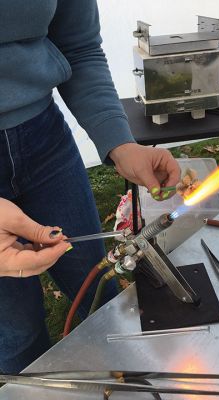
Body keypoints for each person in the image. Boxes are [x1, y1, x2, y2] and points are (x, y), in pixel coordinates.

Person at [0, 0, 180, 373]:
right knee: (15, 331)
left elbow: (78, 46)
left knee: (99, 284)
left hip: (44, 140)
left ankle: (128, 375)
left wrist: (119, 140)